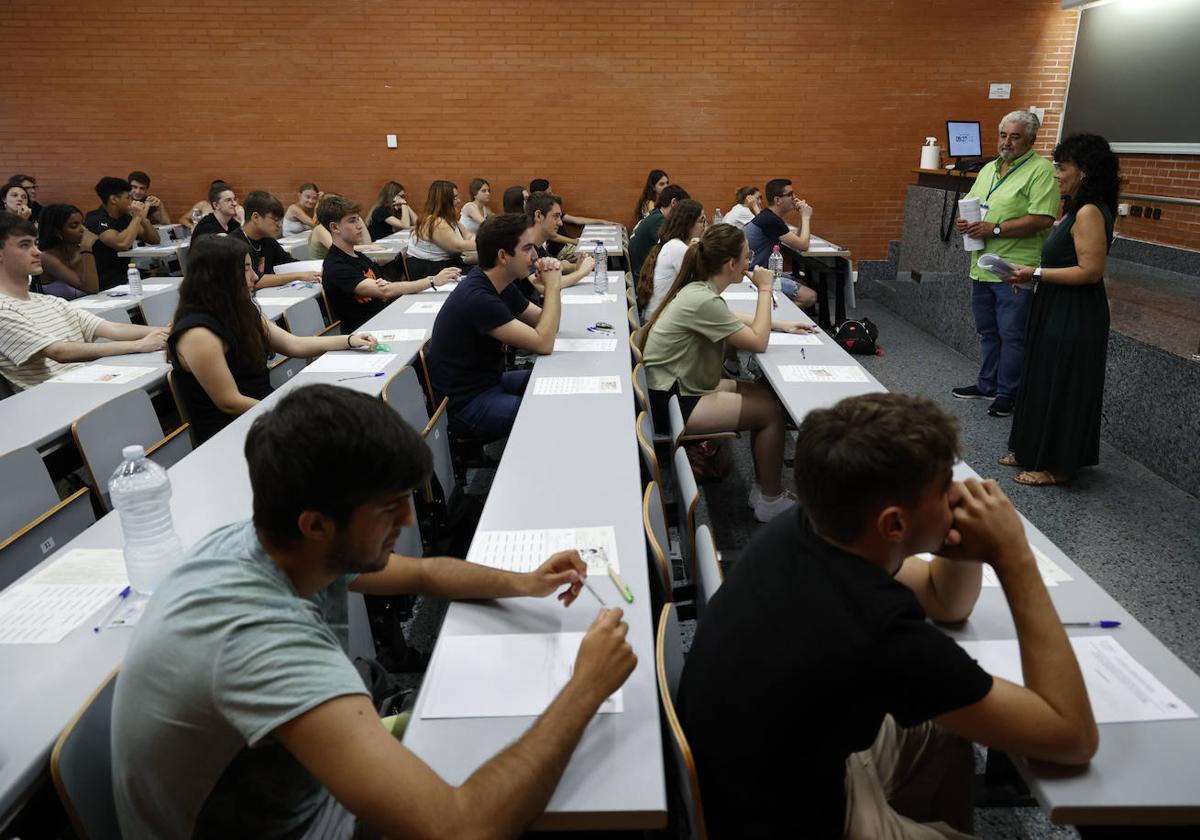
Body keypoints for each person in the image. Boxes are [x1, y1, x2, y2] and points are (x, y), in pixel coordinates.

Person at [112, 381, 636, 838]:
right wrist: (587, 685)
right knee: (556, 772)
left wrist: (525, 582)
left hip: (301, 794)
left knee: (515, 736)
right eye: (389, 507)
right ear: (316, 523)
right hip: (306, 826)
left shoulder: (276, 541)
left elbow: (427, 574)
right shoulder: (259, 639)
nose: (408, 521)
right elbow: (463, 829)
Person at [677, 393, 1098, 838]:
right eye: (943, 489)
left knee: (945, 729)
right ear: (894, 525)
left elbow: (946, 601)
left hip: (762, 776)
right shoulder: (875, 627)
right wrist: (1015, 559)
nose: (956, 496)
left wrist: (964, 545)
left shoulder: (814, 527)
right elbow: (1072, 737)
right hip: (785, 822)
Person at [641, 224, 814, 522]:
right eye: (746, 258)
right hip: (673, 400)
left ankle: (762, 489)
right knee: (771, 411)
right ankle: (769, 499)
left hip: (676, 387)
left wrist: (781, 324)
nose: (750, 264)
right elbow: (758, 342)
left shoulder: (699, 290)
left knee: (764, 393)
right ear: (731, 264)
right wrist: (765, 288)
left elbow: (731, 318)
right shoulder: (703, 298)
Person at [167, 236, 376, 444]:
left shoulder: (239, 308)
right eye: (246, 269)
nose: (255, 277)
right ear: (220, 275)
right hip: (232, 432)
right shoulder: (198, 334)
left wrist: (349, 340)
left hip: (263, 412)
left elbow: (294, 344)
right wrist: (290, 415)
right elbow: (229, 402)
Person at [1000, 134, 1119, 487]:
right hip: (1055, 305)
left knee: (1063, 386)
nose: (1056, 175)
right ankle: (1029, 448)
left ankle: (1059, 466)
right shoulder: (1075, 209)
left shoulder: (1089, 213)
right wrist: (1033, 278)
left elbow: (1090, 271)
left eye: (1061, 167)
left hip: (1075, 313)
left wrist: (1034, 273)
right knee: (1041, 379)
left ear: (1083, 171)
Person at [953, 110, 1059, 418]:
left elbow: (1043, 218)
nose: (1007, 142)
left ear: (1031, 140)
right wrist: (965, 223)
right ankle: (987, 384)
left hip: (1016, 269)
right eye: (1003, 135)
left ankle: (1008, 392)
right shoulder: (989, 168)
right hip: (982, 264)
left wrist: (995, 228)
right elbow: (973, 204)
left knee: (1012, 333)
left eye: (1015, 136)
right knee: (988, 331)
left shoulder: (1041, 171)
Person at [427, 213, 564, 439]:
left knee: (554, 385)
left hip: (490, 383)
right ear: (503, 256)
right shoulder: (478, 298)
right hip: (466, 405)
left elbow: (550, 325)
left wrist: (550, 287)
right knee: (541, 411)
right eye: (527, 248)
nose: (535, 255)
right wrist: (553, 286)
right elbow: (544, 342)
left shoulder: (500, 284)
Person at [0, 213, 167, 391]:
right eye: (24, 245)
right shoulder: (3, 308)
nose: (37, 252)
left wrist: (167, 331)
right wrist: (139, 345)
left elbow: (111, 328)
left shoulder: (49, 301)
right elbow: (58, 352)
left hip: (87, 385)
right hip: (54, 400)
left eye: (35, 243)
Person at [319, 195, 457, 334]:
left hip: (386, 318)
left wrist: (385, 289)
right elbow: (385, 291)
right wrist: (432, 281)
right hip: (365, 333)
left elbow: (385, 289)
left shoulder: (358, 256)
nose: (360, 225)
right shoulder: (336, 266)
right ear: (335, 227)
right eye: (352, 221)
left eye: (358, 219)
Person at [744, 178, 820, 310]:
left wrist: (802, 216)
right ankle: (769, 314)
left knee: (801, 282)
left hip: (757, 269)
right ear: (777, 200)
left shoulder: (769, 217)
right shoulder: (771, 220)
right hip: (754, 275)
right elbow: (803, 245)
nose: (795, 198)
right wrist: (806, 217)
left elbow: (797, 240)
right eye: (790, 195)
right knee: (810, 296)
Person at [230, 191, 322, 290]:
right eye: (275, 220)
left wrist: (315, 270)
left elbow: (288, 262)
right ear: (255, 217)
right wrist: (298, 275)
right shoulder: (233, 244)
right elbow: (254, 280)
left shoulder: (268, 239)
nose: (279, 225)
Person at [84, 176, 161, 291]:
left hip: (125, 273)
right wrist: (136, 217)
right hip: (106, 279)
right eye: (128, 198)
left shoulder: (124, 217)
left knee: (165, 276)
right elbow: (122, 244)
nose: (132, 202)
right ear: (114, 199)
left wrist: (143, 219)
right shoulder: (95, 218)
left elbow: (154, 240)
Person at [519, 191, 596, 302]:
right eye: (555, 217)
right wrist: (581, 272)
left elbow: (558, 266)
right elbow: (544, 287)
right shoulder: (523, 248)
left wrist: (576, 267)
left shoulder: (538, 247)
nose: (560, 223)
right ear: (539, 216)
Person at [635, 198, 704, 319]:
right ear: (688, 224)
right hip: (658, 319)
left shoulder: (673, 244)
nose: (705, 224)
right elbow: (700, 283)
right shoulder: (677, 248)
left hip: (658, 315)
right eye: (701, 220)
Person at [406, 180, 475, 279]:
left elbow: (469, 235)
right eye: (455, 198)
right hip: (432, 270)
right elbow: (458, 246)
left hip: (445, 265)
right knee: (484, 275)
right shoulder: (435, 222)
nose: (459, 201)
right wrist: (488, 242)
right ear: (444, 201)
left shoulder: (449, 218)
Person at [34, 204, 99, 299]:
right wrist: (86, 248)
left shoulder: (79, 251)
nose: (83, 229)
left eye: (82, 223)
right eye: (74, 226)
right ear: (56, 231)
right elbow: (91, 288)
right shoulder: (45, 257)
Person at [628, 184, 689, 283]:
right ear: (674, 203)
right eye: (683, 209)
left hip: (639, 273)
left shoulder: (656, 214)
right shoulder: (659, 220)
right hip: (640, 279)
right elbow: (671, 248)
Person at [308, 193, 372, 261]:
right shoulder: (320, 229)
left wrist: (356, 217)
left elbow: (367, 243)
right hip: (321, 268)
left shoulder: (342, 227)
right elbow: (341, 250)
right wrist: (369, 247)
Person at [178, 180, 245, 230]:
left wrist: (241, 220)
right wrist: (191, 226)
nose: (234, 203)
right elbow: (182, 219)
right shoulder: (203, 205)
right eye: (228, 200)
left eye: (234, 199)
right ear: (216, 205)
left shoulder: (232, 218)